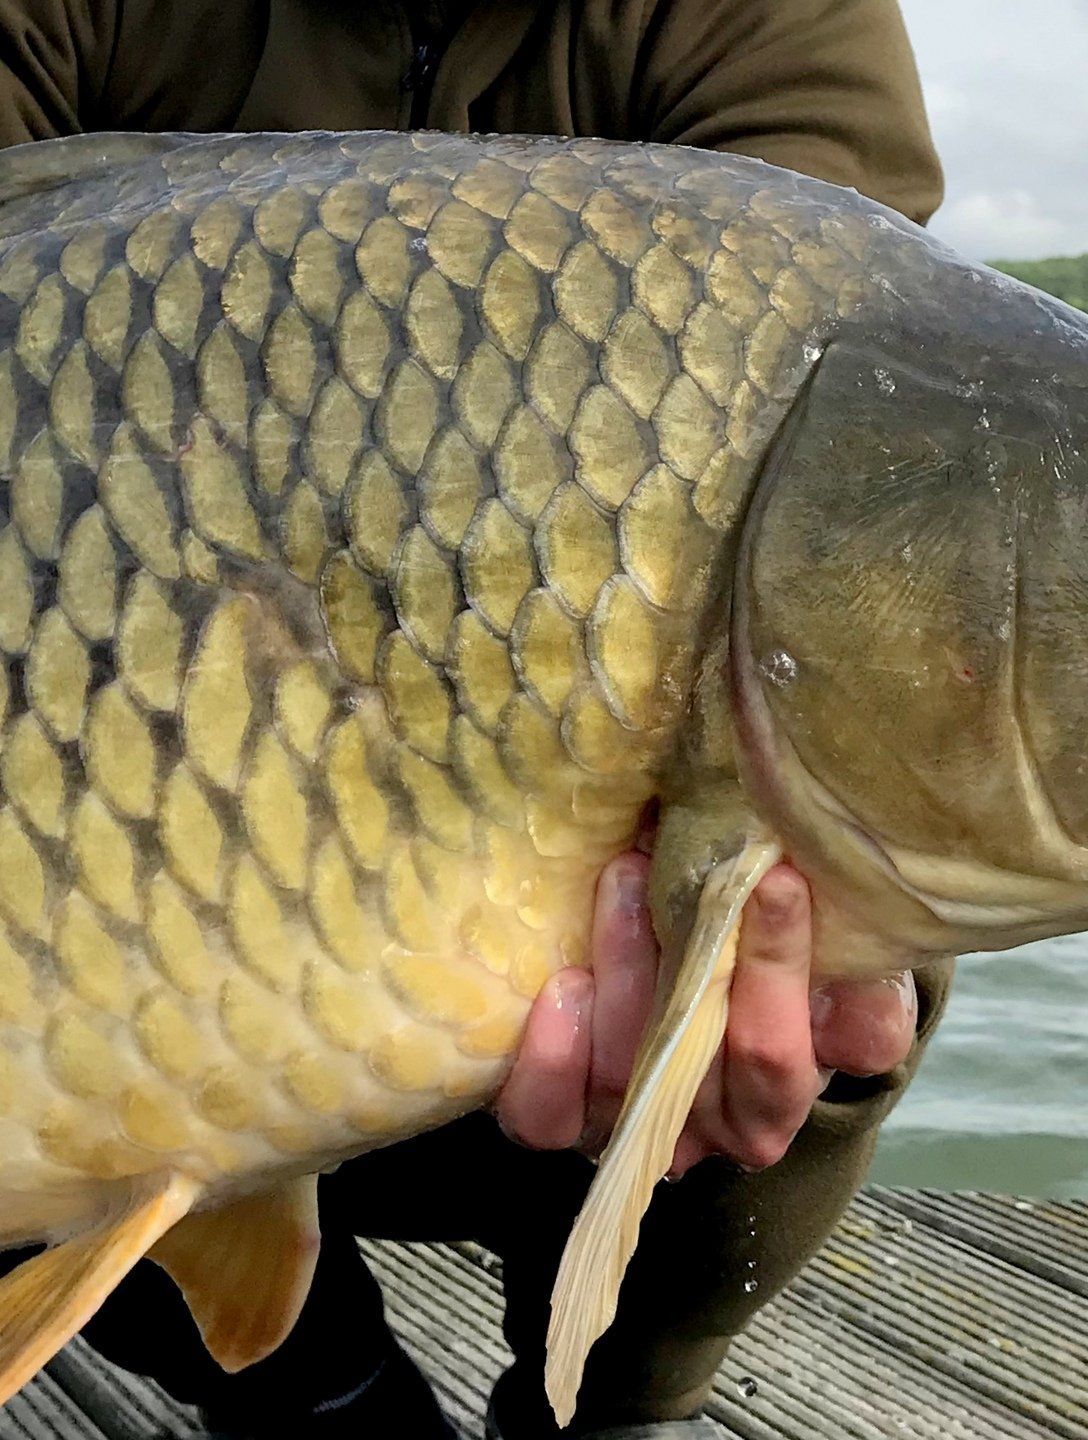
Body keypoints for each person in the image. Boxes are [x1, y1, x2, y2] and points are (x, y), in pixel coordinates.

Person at [0, 3, 952, 1437]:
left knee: (822, 913)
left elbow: (853, 413)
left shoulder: (764, 20)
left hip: (544, 776)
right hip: (101, 753)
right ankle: (313, 1392)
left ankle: (612, 1406)